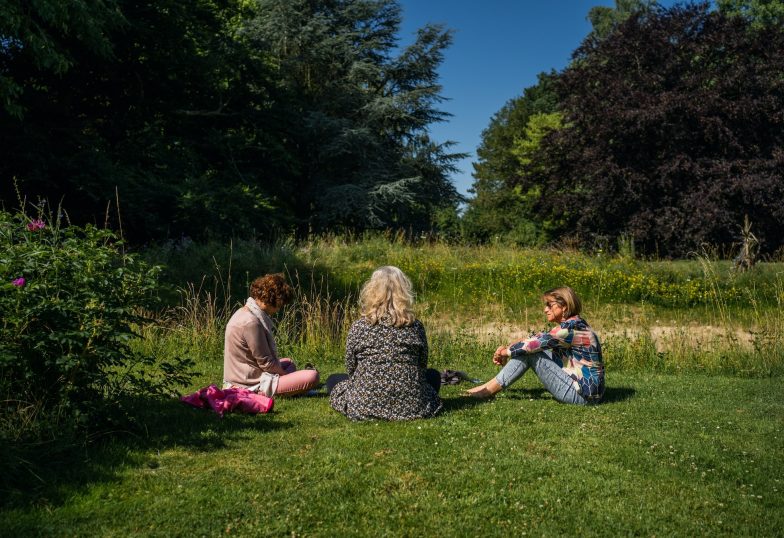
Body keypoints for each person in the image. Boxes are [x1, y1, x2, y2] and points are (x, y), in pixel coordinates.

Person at [327, 266, 443, 420]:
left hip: (365, 404)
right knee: (433, 375)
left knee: (333, 379)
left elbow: (351, 367)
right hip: (412, 404)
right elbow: (421, 365)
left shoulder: (359, 326)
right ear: (403, 292)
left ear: (372, 291)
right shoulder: (415, 326)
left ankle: (372, 401)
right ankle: (405, 401)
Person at [467, 286, 604, 404]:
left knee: (532, 353)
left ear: (564, 307)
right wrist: (506, 348)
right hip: (590, 393)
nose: (545, 309)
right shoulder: (575, 323)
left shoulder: (568, 329)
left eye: (549, 305)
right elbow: (536, 338)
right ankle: (486, 387)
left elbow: (532, 346)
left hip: (582, 396)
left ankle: (486, 391)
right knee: (530, 350)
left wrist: (502, 353)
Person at [223, 273, 319, 397]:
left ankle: (292, 386)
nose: (278, 310)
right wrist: (288, 377)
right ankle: (288, 389)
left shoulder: (244, 312)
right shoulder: (251, 322)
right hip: (248, 383)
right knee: (312, 376)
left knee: (289, 363)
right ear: (272, 300)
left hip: (244, 373)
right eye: (279, 305)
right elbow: (267, 363)